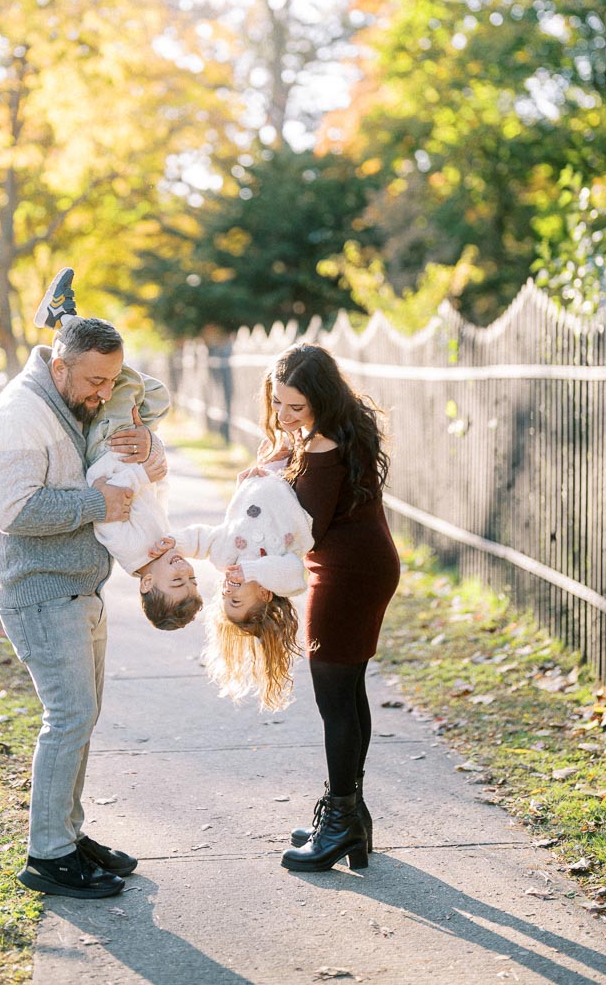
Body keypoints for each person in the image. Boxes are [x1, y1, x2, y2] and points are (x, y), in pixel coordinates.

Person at [0, 312, 167, 899]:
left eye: (111, 381)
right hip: (41, 592)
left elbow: (132, 441)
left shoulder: (71, 401)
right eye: (95, 382)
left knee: (81, 720)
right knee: (68, 719)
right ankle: (48, 856)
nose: (104, 393)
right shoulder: (19, 415)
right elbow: (14, 512)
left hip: (80, 587)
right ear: (59, 366)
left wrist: (149, 445)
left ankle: (68, 834)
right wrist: (95, 503)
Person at [245, 342, 400, 873]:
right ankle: (350, 815)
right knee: (349, 692)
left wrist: (265, 478)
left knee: (335, 700)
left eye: (296, 408)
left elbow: (301, 532)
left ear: (320, 401)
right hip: (362, 566)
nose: (285, 417)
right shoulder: (334, 430)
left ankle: (340, 821)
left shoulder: (323, 443)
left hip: (346, 575)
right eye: (279, 405)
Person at [174, 472, 313, 710]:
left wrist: (172, 542)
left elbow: (203, 539)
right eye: (235, 601)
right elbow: (294, 575)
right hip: (288, 480)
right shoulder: (278, 570)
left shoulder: (225, 558)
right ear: (265, 594)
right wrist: (250, 572)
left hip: (260, 477)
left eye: (224, 597)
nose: (227, 591)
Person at [85, 365, 203, 629]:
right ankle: (102, 359)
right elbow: (158, 498)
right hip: (132, 454)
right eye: (192, 579)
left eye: (177, 581)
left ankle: (82, 343)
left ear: (147, 583)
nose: (184, 570)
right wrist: (156, 466)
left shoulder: (131, 550)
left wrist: (139, 475)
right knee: (159, 397)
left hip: (111, 450)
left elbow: (105, 505)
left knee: (127, 387)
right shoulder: (160, 548)